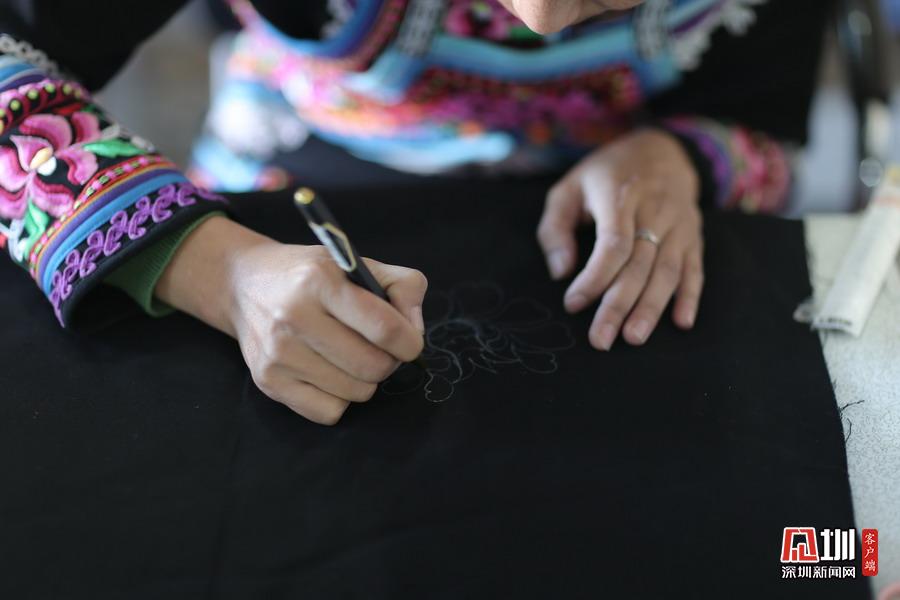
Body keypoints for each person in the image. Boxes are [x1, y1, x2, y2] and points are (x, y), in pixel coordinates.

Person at [0, 0, 831, 424]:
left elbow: (765, 126)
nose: (544, 16)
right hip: (290, 173)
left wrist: (680, 156)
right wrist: (215, 269)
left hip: (614, 200)